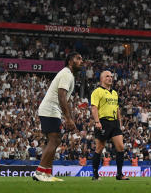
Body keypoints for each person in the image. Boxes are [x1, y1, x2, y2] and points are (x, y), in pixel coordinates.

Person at [34, 52, 83, 182]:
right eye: (78, 59)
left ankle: (47, 173)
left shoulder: (68, 74)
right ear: (70, 61)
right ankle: (40, 172)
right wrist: (68, 118)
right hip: (50, 109)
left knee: (55, 140)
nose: (81, 61)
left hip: (52, 109)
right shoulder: (67, 74)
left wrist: (68, 116)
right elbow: (62, 96)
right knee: (54, 140)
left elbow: (64, 98)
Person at [90, 69, 128, 180]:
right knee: (99, 148)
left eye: (111, 76)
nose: (110, 78)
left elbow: (117, 109)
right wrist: (97, 122)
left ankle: (119, 174)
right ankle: (95, 175)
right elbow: (94, 107)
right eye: (107, 76)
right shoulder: (97, 91)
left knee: (120, 147)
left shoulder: (115, 93)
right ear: (102, 79)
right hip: (103, 122)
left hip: (115, 122)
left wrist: (119, 123)